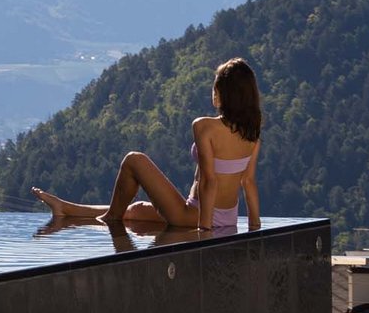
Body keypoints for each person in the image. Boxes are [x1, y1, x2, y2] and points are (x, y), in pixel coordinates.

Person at [32, 57, 262, 231]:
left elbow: (209, 182)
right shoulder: (252, 134)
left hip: (197, 214)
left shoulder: (205, 126)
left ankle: (110, 221)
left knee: (134, 160)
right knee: (136, 211)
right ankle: (67, 209)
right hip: (226, 216)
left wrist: (204, 232)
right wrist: (254, 227)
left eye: (215, 86)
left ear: (222, 94)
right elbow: (248, 182)